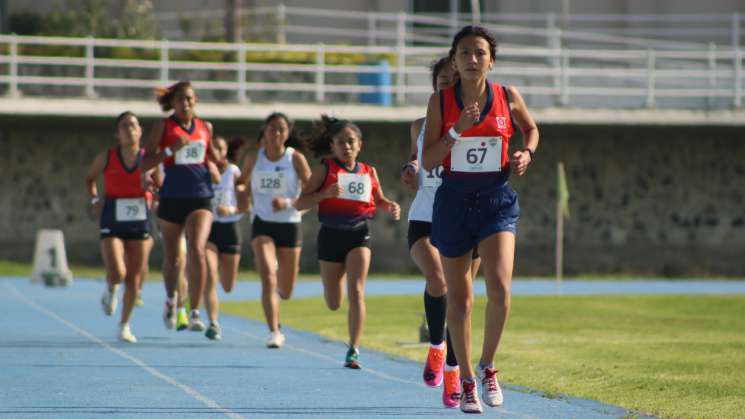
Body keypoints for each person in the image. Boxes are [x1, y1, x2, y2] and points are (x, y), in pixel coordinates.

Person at [422, 26, 539, 413]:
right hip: (454, 201)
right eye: (465, 53)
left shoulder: (507, 96)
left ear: (491, 60)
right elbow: (429, 159)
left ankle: (489, 366)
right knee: (460, 299)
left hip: (496, 201)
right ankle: (467, 380)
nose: (472, 59)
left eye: (480, 53)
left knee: (501, 288)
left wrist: (527, 153)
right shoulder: (440, 101)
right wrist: (458, 129)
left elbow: (531, 130)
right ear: (454, 61)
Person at [401, 57, 480, 409]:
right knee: (438, 280)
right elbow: (418, 159)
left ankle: (452, 369)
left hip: (465, 217)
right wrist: (411, 167)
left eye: (454, 80)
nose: (448, 85)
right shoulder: (419, 123)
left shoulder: (475, 122)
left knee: (462, 301)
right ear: (434, 86)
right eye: (442, 81)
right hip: (424, 215)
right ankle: (436, 346)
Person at [296, 115, 400, 369]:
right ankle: (337, 278)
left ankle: (353, 349)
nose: (347, 147)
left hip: (358, 234)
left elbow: (381, 200)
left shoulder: (368, 171)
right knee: (334, 302)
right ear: (332, 145)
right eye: (341, 142)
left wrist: (391, 207)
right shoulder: (325, 169)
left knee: (357, 292)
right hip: (330, 235)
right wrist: (324, 194)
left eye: (351, 142)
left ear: (360, 144)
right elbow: (300, 203)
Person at [142, 80, 222, 333]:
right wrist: (168, 150)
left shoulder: (204, 127)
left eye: (189, 99)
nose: (185, 104)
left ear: (195, 101)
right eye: (180, 100)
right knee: (174, 260)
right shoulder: (163, 126)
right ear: (173, 103)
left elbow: (210, 158)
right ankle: (171, 299)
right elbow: (146, 163)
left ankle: (195, 311)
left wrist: (215, 164)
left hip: (200, 196)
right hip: (172, 197)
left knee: (197, 250)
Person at [238, 113, 311, 348]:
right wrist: (240, 193)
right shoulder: (254, 158)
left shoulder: (295, 159)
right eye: (272, 129)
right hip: (262, 223)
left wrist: (289, 204)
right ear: (265, 131)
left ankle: (278, 301)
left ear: (287, 133)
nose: (276, 133)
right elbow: (241, 184)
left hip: (289, 224)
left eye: (281, 129)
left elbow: (311, 194)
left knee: (286, 290)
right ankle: (274, 331)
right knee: (268, 276)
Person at [84, 111, 154, 343]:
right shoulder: (108, 157)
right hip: (112, 216)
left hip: (139, 217)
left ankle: (124, 324)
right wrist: (95, 200)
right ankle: (111, 286)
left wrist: (154, 189)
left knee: (134, 277)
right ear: (118, 133)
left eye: (133, 125)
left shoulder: (148, 159)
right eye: (124, 126)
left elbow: (160, 184)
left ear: (140, 131)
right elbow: (90, 178)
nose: (129, 130)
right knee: (118, 272)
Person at [203, 136, 247, 341]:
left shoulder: (234, 172)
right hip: (208, 229)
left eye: (220, 148)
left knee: (228, 285)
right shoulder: (202, 171)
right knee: (210, 274)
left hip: (230, 229)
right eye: (213, 149)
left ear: (225, 151)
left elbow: (244, 206)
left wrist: (228, 209)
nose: (217, 152)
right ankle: (213, 322)